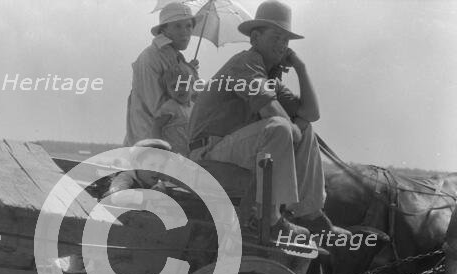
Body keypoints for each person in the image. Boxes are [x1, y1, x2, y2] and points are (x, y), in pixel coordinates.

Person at [187, 0, 346, 240]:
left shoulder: (269, 78)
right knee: (280, 127)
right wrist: (295, 128)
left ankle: (310, 214)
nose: (282, 44)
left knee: (305, 128)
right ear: (255, 38)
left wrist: (301, 67)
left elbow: (311, 114)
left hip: (232, 150)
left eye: (286, 40)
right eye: (276, 36)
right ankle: (269, 217)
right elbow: (275, 117)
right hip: (207, 153)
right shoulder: (245, 64)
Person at [124, 2, 198, 147]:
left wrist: (191, 72)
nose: (185, 32)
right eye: (178, 26)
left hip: (170, 143)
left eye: (189, 26)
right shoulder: (151, 57)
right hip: (149, 145)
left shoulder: (175, 57)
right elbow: (158, 108)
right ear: (163, 30)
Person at [153, 67, 193, 155]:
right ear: (168, 91)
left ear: (192, 85)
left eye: (183, 84)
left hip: (189, 151)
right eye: (174, 86)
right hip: (173, 152)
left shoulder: (193, 107)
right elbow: (157, 127)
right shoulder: (171, 106)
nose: (179, 89)